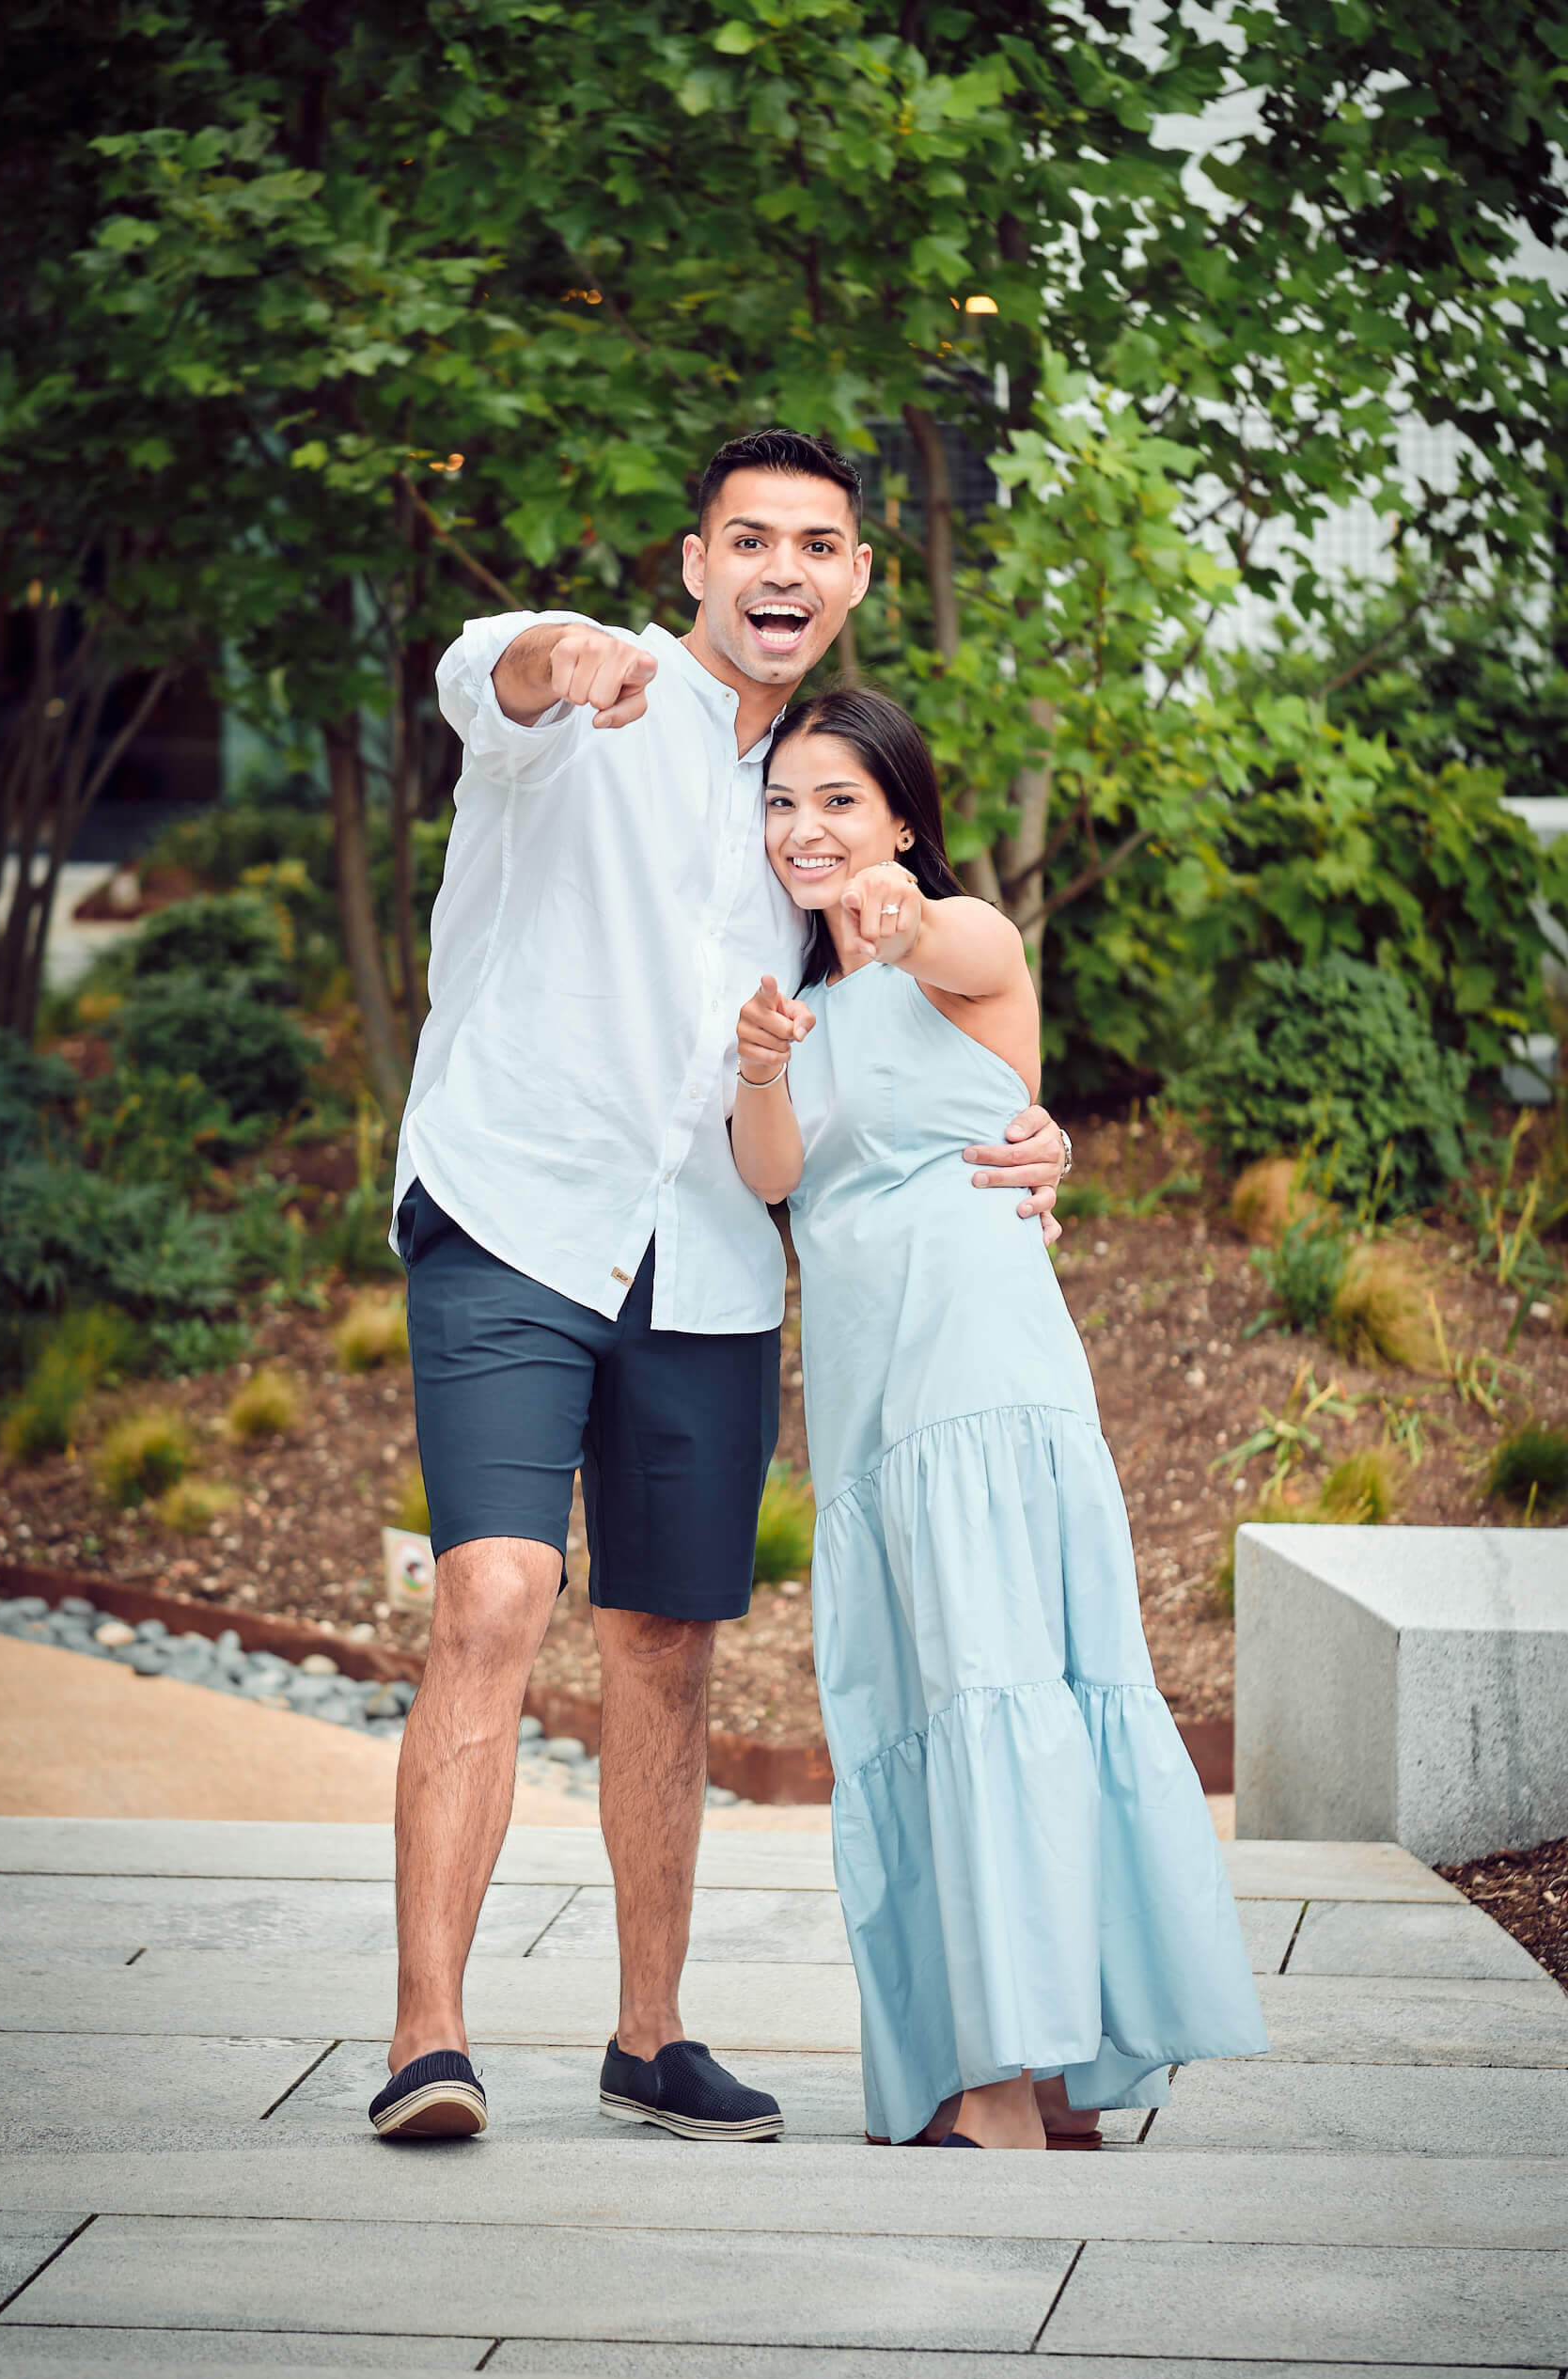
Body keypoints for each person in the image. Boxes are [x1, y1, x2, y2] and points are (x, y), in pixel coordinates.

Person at [368, 431, 1074, 2143]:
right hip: (518, 1210)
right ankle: (427, 2039)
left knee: (668, 1645)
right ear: (693, 562)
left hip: (707, 1261)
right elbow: (490, 673)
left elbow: (924, 1019)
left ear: (853, 580)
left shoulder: (823, 798)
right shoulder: (583, 715)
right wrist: (563, 654)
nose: (780, 569)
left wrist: (1028, 1132)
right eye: (746, 539)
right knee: (495, 1596)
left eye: (815, 546)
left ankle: (650, 2036)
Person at [731, 688, 1266, 2151]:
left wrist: (900, 914)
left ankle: (1003, 2083)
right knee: (929, 1700)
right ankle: (1044, 2072)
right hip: (864, 1390)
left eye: (840, 800)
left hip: (975, 1363)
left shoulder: (962, 950)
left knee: (1001, 1686)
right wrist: (763, 1063)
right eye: (783, 803)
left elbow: (967, 942)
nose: (806, 829)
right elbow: (775, 1175)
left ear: (902, 818)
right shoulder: (793, 1005)